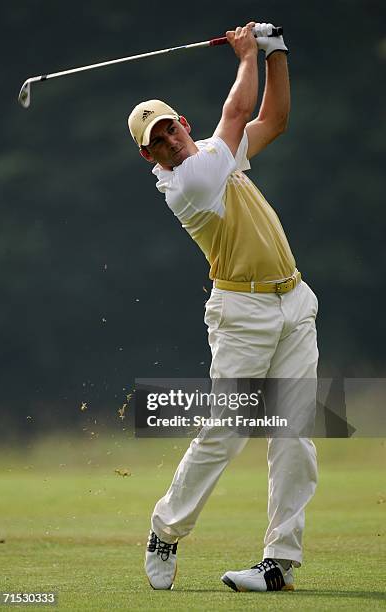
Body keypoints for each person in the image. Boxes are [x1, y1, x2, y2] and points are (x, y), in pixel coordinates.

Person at [127, 21, 319, 593]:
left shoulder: (213, 153)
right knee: (227, 429)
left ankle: (279, 562)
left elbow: (274, 120)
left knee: (295, 436)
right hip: (241, 314)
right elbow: (236, 114)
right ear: (150, 157)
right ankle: (166, 529)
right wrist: (246, 54)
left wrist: (276, 51)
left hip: (293, 301)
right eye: (156, 142)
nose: (168, 142)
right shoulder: (186, 181)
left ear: (182, 123)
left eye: (169, 129)